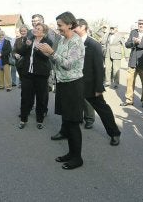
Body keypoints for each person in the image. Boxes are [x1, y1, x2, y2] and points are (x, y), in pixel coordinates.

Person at [36, 11, 85, 170]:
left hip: (73, 85)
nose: (58, 29)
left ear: (70, 24)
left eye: (60, 25)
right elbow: (57, 60)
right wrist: (48, 53)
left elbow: (68, 64)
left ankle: (77, 158)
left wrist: (51, 52)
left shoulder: (76, 42)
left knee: (73, 123)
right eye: (57, 25)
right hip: (63, 84)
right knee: (67, 121)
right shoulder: (63, 40)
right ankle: (71, 153)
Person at [74, 18, 121, 146]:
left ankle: (114, 133)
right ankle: (67, 131)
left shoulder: (93, 44)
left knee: (102, 109)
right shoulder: (72, 42)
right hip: (74, 83)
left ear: (83, 27)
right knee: (71, 109)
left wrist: (99, 87)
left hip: (90, 85)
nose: (73, 29)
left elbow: (99, 68)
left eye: (75, 26)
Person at [16, 23, 52, 129]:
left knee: (41, 98)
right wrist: (26, 45)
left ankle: (39, 120)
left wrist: (37, 48)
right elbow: (21, 52)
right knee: (25, 96)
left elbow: (46, 58)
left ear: (43, 32)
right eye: (35, 28)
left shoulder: (47, 42)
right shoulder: (29, 39)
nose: (35, 30)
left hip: (41, 75)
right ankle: (23, 119)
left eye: (38, 29)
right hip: (27, 74)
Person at [122, 19, 143, 107]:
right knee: (130, 81)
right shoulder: (133, 32)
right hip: (133, 61)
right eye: (139, 24)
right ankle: (129, 100)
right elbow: (127, 44)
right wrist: (133, 43)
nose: (141, 25)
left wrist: (137, 43)